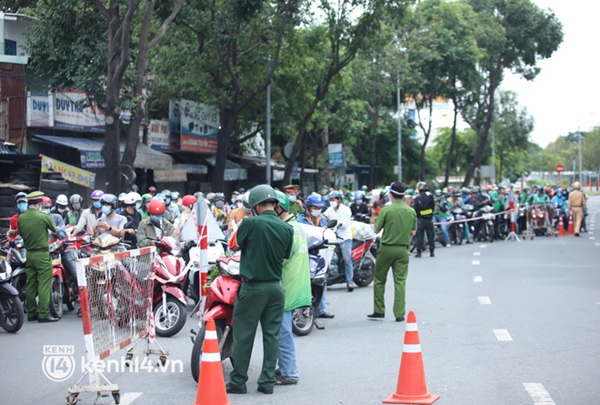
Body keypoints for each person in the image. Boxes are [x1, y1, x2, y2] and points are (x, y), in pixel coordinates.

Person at [226, 185, 293, 395]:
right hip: (275, 288)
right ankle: (267, 382)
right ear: (275, 204)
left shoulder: (250, 223)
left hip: (252, 288)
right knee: (272, 336)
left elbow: (234, 246)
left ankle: (238, 381)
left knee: (244, 335)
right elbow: (284, 256)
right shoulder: (287, 228)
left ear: (255, 206)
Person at [273, 190, 311, 385]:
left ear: (278, 208)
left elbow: (279, 260)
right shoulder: (295, 225)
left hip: (287, 285)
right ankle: (285, 366)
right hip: (297, 284)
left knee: (282, 330)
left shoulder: (285, 230)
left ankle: (289, 373)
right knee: (282, 329)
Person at [367, 181, 416, 322]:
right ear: (403, 195)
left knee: (379, 280)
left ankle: (379, 311)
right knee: (400, 282)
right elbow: (413, 232)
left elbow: (376, 230)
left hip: (386, 249)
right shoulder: (411, 211)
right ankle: (399, 314)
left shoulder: (386, 210)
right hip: (402, 250)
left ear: (391, 195)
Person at [18, 191, 59, 322]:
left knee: (30, 283)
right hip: (42, 254)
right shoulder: (43, 217)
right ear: (40, 204)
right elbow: (55, 230)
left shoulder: (21, 218)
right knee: (44, 283)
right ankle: (43, 313)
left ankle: (31, 313)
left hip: (28, 254)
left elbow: (22, 233)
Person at [324, 190, 355, 292]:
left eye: (333, 200)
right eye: (330, 200)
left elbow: (343, 224)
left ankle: (350, 282)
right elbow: (323, 216)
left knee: (347, 258)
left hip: (344, 238)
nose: (332, 202)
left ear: (339, 200)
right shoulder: (330, 210)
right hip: (333, 238)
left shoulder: (346, 210)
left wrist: (334, 225)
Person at [412, 181, 435, 257]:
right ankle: (432, 251)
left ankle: (419, 252)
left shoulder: (417, 199)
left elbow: (415, 209)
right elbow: (433, 207)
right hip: (429, 219)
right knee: (430, 235)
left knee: (420, 236)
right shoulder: (430, 198)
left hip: (421, 220)